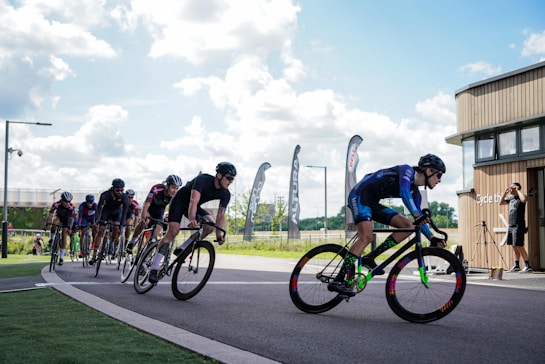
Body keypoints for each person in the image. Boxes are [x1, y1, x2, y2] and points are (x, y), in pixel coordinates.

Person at [328, 154, 447, 297]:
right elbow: (404, 193)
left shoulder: (416, 194)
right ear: (429, 171)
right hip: (359, 195)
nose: (440, 180)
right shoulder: (407, 170)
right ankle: (338, 279)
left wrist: (432, 237)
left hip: (372, 202)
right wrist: (417, 215)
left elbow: (418, 219)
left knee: (408, 226)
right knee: (366, 236)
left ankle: (370, 258)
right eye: (439, 175)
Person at [147, 162, 236, 284]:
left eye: (233, 179)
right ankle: (154, 268)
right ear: (219, 175)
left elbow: (221, 215)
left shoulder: (225, 193)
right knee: (173, 231)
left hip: (194, 206)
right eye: (229, 178)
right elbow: (193, 200)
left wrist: (219, 235)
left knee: (210, 226)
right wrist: (192, 218)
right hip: (180, 202)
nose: (231, 181)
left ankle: (183, 248)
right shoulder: (202, 180)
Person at [125, 175, 183, 253]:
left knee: (155, 235)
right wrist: (143, 218)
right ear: (167, 186)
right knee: (145, 222)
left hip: (159, 213)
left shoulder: (175, 196)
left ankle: (146, 258)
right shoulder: (156, 189)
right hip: (149, 208)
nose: (175, 190)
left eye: (177, 188)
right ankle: (132, 241)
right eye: (173, 187)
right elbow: (147, 204)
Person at [89, 178, 129, 265]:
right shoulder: (105, 195)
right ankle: (94, 254)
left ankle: (112, 242)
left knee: (116, 227)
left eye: (122, 190)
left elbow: (125, 212)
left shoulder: (124, 197)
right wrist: (96, 220)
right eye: (117, 190)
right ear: (113, 188)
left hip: (117, 213)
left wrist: (122, 225)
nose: (119, 192)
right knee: (100, 231)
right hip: (106, 211)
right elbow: (99, 208)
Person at [499, 182, 532, 273]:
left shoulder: (521, 196)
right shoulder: (511, 198)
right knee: (514, 245)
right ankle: (516, 265)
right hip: (511, 224)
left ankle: (528, 265)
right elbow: (500, 203)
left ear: (516, 188)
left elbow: (524, 200)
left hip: (519, 224)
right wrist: (505, 193)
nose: (510, 189)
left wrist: (517, 190)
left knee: (519, 245)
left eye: (511, 187)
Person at [44, 191, 77, 266]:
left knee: (64, 233)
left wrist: (70, 228)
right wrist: (46, 225)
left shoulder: (71, 207)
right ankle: (52, 239)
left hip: (67, 218)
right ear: (61, 200)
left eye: (69, 202)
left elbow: (72, 219)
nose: (67, 203)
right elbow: (50, 215)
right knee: (54, 222)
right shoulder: (56, 204)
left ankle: (61, 257)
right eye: (65, 201)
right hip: (58, 215)